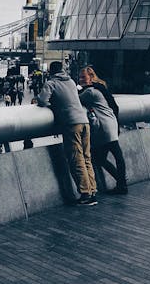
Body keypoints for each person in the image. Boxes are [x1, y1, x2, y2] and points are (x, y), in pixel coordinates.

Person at [38, 61, 97, 206]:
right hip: (84, 121)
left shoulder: (51, 83)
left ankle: (85, 194)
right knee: (86, 157)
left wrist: (55, 107)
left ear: (51, 72)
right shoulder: (70, 81)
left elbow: (42, 100)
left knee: (77, 158)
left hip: (71, 123)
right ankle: (93, 189)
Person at [79, 65, 128, 195]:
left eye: (83, 77)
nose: (81, 79)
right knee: (116, 155)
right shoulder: (100, 88)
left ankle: (121, 183)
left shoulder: (90, 92)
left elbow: (75, 101)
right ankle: (122, 182)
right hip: (112, 123)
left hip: (104, 127)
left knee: (100, 158)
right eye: (80, 77)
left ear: (91, 77)